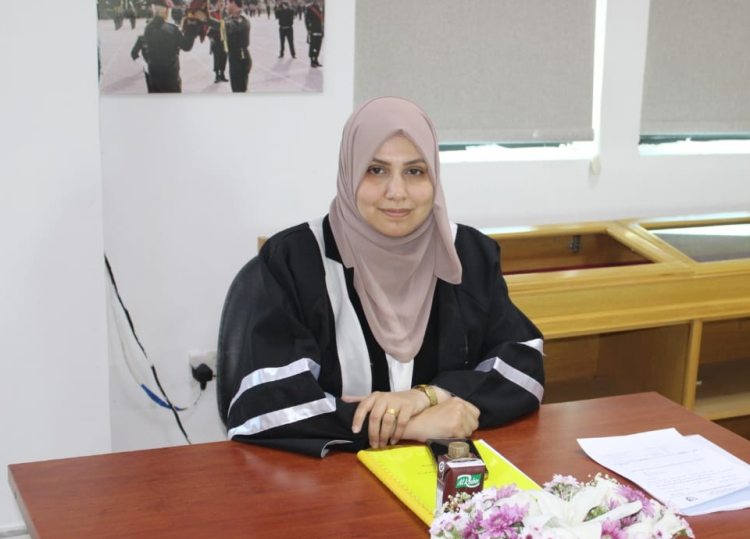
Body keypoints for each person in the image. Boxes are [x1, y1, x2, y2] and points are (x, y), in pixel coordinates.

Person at [224, 97, 545, 458]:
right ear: (350, 171)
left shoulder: (466, 254)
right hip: (331, 479)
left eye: (415, 171)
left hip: (439, 475)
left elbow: (523, 368)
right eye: (376, 170)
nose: (397, 192)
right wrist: (409, 426)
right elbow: (265, 404)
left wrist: (429, 395)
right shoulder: (295, 259)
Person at [130, 0, 198, 93]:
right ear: (166, 11)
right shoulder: (171, 29)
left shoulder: (148, 28)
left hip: (153, 75)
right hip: (170, 76)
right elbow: (187, 46)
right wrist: (192, 29)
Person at [209, 0, 251, 92]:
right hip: (234, 58)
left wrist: (207, 19)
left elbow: (226, 26)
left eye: (228, 3)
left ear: (234, 3)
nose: (226, 6)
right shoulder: (231, 18)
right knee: (236, 90)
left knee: (240, 91)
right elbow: (217, 30)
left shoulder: (242, 19)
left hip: (241, 59)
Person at [208, 8, 228, 82]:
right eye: (220, 2)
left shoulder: (227, 13)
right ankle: (217, 75)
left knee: (224, 57)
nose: (221, 3)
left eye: (223, 2)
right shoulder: (213, 14)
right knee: (216, 58)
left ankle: (222, 74)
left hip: (224, 39)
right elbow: (208, 27)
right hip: (215, 38)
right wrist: (210, 37)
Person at [304, 0, 323, 67]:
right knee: (313, 46)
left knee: (318, 45)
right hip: (313, 29)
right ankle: (312, 61)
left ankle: (316, 59)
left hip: (320, 29)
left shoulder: (320, 7)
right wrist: (308, 29)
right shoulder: (309, 8)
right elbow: (306, 20)